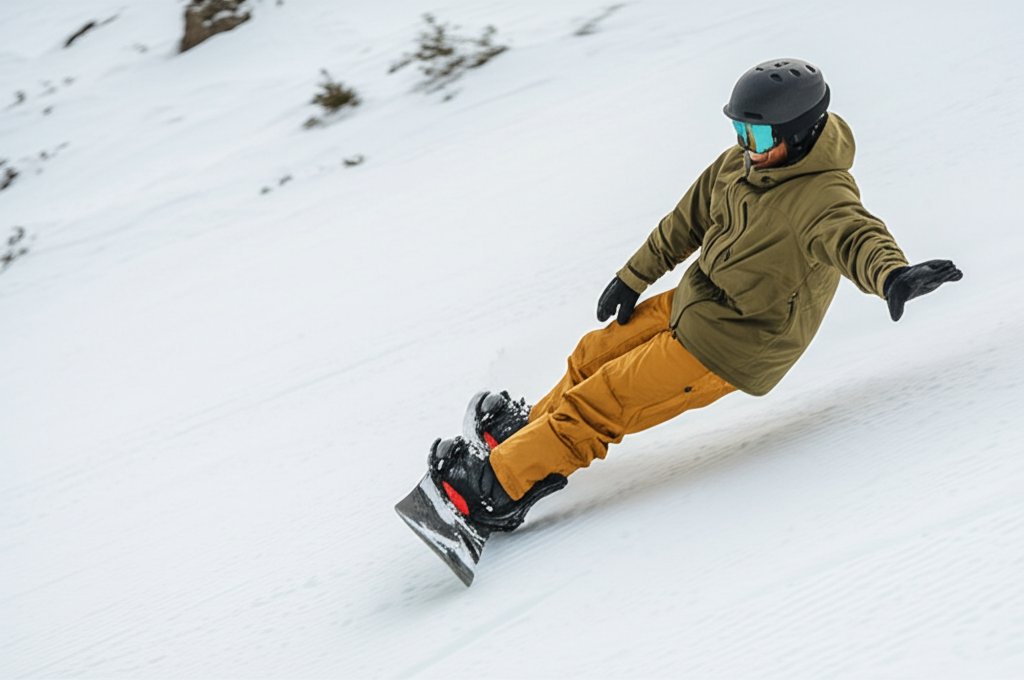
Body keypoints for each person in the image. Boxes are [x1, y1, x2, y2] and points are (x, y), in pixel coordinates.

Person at [429, 58, 963, 532]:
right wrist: (633, 277)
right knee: (591, 356)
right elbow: (685, 222)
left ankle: (496, 490)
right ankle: (527, 435)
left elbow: (856, 236)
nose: (744, 148)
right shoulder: (741, 164)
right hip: (695, 303)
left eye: (756, 137)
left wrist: (891, 276)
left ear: (799, 136)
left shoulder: (821, 196)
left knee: (600, 404)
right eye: (739, 131)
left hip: (733, 345)